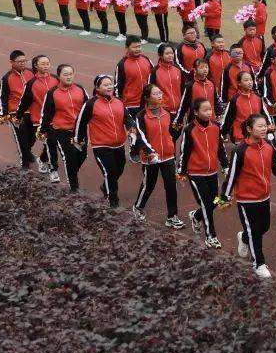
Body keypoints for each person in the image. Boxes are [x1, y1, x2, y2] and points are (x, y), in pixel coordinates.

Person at [221, 114, 276, 279]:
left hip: (265, 195)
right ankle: (259, 263)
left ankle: (244, 237)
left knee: (264, 227)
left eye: (265, 126)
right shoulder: (240, 150)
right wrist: (224, 196)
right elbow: (232, 175)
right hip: (246, 199)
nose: (264, 129)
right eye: (259, 126)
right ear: (249, 129)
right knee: (255, 230)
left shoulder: (268, 146)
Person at [73, 74, 131, 208]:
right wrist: (78, 139)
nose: (109, 87)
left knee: (119, 169)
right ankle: (113, 201)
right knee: (109, 172)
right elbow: (80, 122)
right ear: (97, 88)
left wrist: (131, 128)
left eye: (110, 84)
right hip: (101, 146)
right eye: (105, 85)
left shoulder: (118, 101)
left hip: (119, 144)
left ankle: (106, 187)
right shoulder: (90, 104)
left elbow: (127, 118)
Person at [131, 83, 183, 229]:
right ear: (147, 98)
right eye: (156, 94)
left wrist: (174, 135)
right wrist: (150, 152)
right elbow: (141, 137)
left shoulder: (167, 113)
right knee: (149, 184)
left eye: (160, 93)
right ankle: (138, 206)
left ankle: (172, 216)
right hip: (150, 158)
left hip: (167, 155)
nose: (160, 96)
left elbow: (173, 133)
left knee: (171, 185)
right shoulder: (141, 116)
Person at [178, 97, 228, 248]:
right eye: (204, 110)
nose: (208, 113)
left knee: (215, 201)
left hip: (212, 171)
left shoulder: (216, 127)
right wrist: (181, 172)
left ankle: (196, 215)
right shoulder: (189, 130)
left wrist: (225, 165)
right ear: (195, 112)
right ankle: (211, 236)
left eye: (210, 110)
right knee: (206, 204)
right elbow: (184, 152)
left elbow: (220, 148)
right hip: (196, 173)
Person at [39, 64, 87, 193]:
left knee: (82, 155)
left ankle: (71, 172)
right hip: (61, 130)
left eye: (71, 74)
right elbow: (46, 113)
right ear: (59, 76)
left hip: (79, 130)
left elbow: (88, 107)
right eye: (65, 74)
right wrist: (43, 129)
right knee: (69, 158)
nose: (69, 76)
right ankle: (74, 187)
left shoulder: (80, 89)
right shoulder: (52, 92)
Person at [15, 54, 58, 178]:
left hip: (55, 119)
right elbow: (25, 101)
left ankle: (43, 159)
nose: (46, 66)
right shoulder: (31, 83)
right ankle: (27, 160)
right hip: (38, 118)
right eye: (42, 63)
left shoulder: (56, 79)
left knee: (51, 142)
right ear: (36, 66)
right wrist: (18, 116)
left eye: (47, 63)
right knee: (43, 141)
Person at [115, 36, 154, 120]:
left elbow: (154, 80)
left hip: (147, 103)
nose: (137, 49)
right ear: (127, 47)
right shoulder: (122, 64)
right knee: (133, 131)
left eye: (139, 46)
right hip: (130, 105)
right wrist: (120, 104)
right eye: (134, 47)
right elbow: (118, 87)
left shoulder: (146, 60)